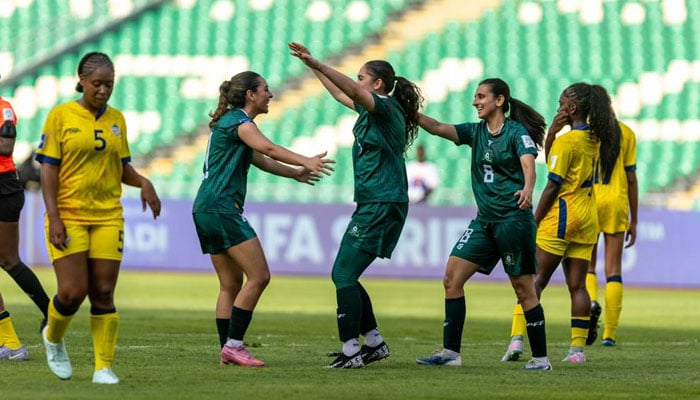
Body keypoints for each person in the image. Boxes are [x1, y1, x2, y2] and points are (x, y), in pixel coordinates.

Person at [289, 41, 423, 368]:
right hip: (377, 201)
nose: (357, 80)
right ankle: (373, 342)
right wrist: (312, 68)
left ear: (377, 84)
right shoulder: (371, 110)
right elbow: (341, 93)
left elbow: (348, 88)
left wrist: (319, 63)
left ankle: (351, 351)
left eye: (362, 77)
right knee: (347, 274)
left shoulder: (386, 107)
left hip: (381, 200)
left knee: (343, 273)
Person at [192, 71, 335, 368]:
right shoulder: (241, 123)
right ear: (250, 94)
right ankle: (233, 346)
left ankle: (227, 351)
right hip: (222, 208)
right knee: (260, 276)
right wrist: (306, 159)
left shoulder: (230, 124)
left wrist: (295, 174)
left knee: (229, 285)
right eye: (265, 89)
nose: (270, 94)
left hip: (206, 207)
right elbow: (268, 148)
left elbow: (262, 160)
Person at [35, 52, 161, 384]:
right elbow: (48, 168)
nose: (103, 90)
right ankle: (53, 336)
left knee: (103, 291)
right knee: (73, 292)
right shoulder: (60, 116)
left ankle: (103, 367)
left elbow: (121, 167)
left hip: (108, 216)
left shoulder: (117, 119)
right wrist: (54, 216)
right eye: (97, 84)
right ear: (82, 80)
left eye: (109, 84)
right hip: (69, 214)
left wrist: (144, 182)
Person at [413, 78, 551, 371]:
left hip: (512, 220)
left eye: (481, 96)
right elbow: (438, 127)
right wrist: (408, 111)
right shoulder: (475, 132)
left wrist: (528, 188)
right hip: (484, 221)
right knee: (452, 278)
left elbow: (528, 162)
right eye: (475, 97)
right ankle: (451, 353)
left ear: (499, 100)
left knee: (523, 289)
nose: (476, 101)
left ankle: (540, 358)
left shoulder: (515, 132)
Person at [502, 82, 619, 364]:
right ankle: (576, 351)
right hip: (587, 219)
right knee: (577, 286)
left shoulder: (567, 143)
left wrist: (535, 218)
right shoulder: (596, 138)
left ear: (572, 108)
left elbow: (553, 184)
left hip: (561, 218)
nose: (557, 108)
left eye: (561, 102)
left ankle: (517, 340)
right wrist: (553, 133)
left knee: (533, 282)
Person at [2, 90, 50, 361]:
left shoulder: (3, 109)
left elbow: (6, 147)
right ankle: (9, 342)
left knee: (9, 260)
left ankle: (49, 314)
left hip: (4, 187)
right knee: (8, 261)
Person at [585, 120, 638, 347]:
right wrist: (634, 219)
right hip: (615, 202)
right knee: (613, 270)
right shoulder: (626, 133)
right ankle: (609, 335)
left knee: (587, 266)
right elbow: (632, 178)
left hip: (589, 200)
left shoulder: (586, 132)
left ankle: (592, 303)